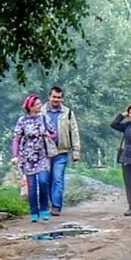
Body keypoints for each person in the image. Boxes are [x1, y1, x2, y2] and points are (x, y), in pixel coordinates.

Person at [11, 94, 57, 222]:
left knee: (43, 181)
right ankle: (34, 212)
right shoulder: (22, 121)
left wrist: (49, 136)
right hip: (28, 157)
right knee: (32, 186)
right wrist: (15, 155)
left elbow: (54, 133)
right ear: (30, 107)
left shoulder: (44, 118)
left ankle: (44, 208)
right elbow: (17, 138)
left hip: (42, 155)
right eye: (37, 104)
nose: (40, 106)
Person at [44, 85, 81, 218]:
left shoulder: (68, 113)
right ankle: (50, 202)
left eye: (59, 97)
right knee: (46, 180)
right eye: (54, 97)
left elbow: (74, 132)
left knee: (58, 178)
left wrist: (76, 150)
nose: (56, 99)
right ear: (49, 97)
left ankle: (56, 206)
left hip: (61, 151)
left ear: (62, 99)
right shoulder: (41, 111)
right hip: (45, 153)